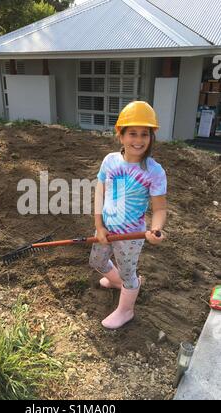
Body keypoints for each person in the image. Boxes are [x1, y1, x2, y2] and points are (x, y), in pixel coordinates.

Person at [89, 101, 167, 330]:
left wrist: (156, 229)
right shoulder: (110, 160)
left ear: (152, 137)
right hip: (106, 227)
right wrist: (99, 225)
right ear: (121, 136)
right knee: (97, 261)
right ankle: (117, 283)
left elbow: (160, 208)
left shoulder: (154, 171)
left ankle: (126, 310)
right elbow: (99, 191)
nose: (139, 139)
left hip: (131, 236)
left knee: (129, 273)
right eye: (132, 133)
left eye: (145, 134)